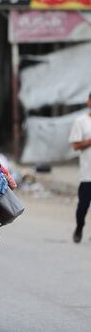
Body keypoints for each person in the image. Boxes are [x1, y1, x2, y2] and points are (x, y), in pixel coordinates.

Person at [69, 92, 91, 243]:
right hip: (87, 173)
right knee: (83, 206)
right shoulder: (81, 121)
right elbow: (75, 145)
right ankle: (79, 226)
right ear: (89, 102)